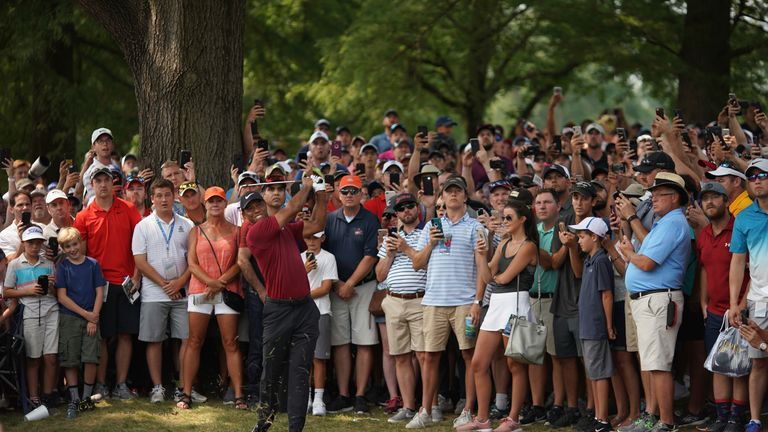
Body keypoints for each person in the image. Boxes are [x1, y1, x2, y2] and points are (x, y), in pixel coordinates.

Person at [247, 173, 328, 432]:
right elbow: (292, 208)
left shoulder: (284, 230)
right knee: (270, 370)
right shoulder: (257, 232)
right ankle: (264, 423)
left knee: (299, 372)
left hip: (304, 309)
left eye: (258, 204)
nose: (256, 209)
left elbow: (316, 224)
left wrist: (322, 192)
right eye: (250, 208)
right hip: (278, 310)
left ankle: (296, 429)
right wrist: (304, 187)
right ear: (246, 216)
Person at [619, 172, 691, 432]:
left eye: (660, 195)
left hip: (659, 300)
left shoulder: (673, 223)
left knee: (659, 365)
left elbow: (647, 263)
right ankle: (651, 416)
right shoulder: (664, 222)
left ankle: (666, 422)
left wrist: (629, 253)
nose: (654, 200)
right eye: (653, 194)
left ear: (674, 198)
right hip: (650, 300)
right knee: (651, 362)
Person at [410, 176, 483, 429]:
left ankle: (469, 410)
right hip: (433, 301)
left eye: (458, 191)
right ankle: (425, 410)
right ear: (443, 197)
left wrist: (477, 301)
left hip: (464, 302)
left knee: (469, 356)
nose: (453, 195)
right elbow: (417, 263)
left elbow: (482, 268)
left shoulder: (475, 227)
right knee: (430, 357)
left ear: (465, 196)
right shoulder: (431, 225)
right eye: (449, 191)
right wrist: (431, 243)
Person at [465, 199, 538, 432]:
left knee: (514, 364)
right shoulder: (504, 242)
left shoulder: (529, 246)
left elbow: (504, 278)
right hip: (496, 303)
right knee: (478, 362)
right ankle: (483, 418)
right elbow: (487, 277)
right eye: (503, 217)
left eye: (508, 218)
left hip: (516, 304)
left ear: (522, 219)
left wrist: (490, 270)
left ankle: (513, 419)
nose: (504, 221)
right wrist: (481, 255)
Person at [73, 167, 142, 400]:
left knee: (125, 335)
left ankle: (121, 385)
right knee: (102, 337)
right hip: (99, 286)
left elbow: (141, 247)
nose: (103, 184)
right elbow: (80, 257)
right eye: (98, 180)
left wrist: (137, 276)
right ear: (92, 184)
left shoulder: (129, 209)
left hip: (127, 282)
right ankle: (101, 384)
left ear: (114, 184)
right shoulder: (83, 216)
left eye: (107, 180)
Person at [179, 186, 244, 410]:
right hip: (201, 290)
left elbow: (240, 262)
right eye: (211, 201)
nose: (215, 204)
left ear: (226, 204)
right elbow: (192, 263)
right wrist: (210, 282)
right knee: (194, 340)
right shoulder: (196, 231)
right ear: (204, 205)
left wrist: (220, 283)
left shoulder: (237, 231)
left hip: (227, 290)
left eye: (219, 201)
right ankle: (185, 393)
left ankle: (238, 395)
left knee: (230, 343)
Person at [322, 175, 380, 414]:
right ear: (338, 193)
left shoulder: (370, 220)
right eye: (344, 191)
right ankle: (344, 394)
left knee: (364, 342)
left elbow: (370, 257)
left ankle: (359, 396)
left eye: (353, 191)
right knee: (341, 343)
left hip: (363, 287)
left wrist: (350, 283)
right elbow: (323, 253)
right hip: (336, 288)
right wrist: (337, 284)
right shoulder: (329, 219)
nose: (348, 195)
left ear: (361, 194)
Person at [132, 179, 194, 403]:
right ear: (152, 199)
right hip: (153, 292)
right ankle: (157, 387)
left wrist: (179, 283)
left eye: (167, 194)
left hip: (183, 291)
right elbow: (140, 261)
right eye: (158, 195)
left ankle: (184, 386)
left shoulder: (187, 225)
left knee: (187, 339)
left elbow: (193, 260)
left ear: (174, 195)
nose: (163, 199)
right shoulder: (143, 226)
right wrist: (165, 284)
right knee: (154, 340)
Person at [696, 182, 748, 431]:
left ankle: (737, 417)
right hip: (714, 311)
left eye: (715, 197)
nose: (710, 202)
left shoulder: (739, 227)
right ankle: (721, 416)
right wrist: (703, 302)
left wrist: (741, 302)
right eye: (705, 198)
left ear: (726, 201)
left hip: (738, 310)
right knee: (717, 363)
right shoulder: (704, 234)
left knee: (737, 366)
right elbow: (705, 268)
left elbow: (752, 270)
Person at [375, 192, 428, 424]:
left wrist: (405, 248)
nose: (406, 211)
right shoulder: (390, 239)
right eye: (401, 208)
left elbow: (424, 263)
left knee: (425, 356)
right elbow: (379, 274)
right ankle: (407, 406)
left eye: (410, 206)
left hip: (420, 299)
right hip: (394, 300)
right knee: (401, 356)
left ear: (417, 208)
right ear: (396, 214)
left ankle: (428, 406)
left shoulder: (427, 233)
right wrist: (390, 254)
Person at [727, 158, 768, 432]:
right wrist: (734, 303)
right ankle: (754, 419)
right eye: (751, 177)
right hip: (759, 300)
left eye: (762, 175)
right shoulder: (743, 217)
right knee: (759, 362)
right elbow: (738, 262)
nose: (756, 180)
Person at [2, 225, 57, 408]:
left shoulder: (49, 264)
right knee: (33, 358)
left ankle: (48, 396)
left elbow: (57, 292)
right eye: (31, 243)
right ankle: (34, 396)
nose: (35, 246)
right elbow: (7, 292)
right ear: (24, 243)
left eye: (38, 243)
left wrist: (51, 287)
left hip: (51, 310)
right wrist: (27, 290)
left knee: (50, 357)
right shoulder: (15, 264)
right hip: (30, 314)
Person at [54, 227, 105, 419]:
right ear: (63, 249)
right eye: (68, 246)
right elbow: (62, 296)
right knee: (70, 358)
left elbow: (99, 291)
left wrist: (94, 316)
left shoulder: (92, 264)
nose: (73, 249)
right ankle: (74, 399)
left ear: (80, 242)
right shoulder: (64, 267)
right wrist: (86, 314)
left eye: (75, 244)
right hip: (70, 318)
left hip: (92, 318)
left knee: (91, 357)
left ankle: (86, 399)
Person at [570, 217, 615, 432]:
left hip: (596, 326)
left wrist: (608, 326)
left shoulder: (600, 261)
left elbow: (606, 295)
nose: (579, 241)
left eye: (582, 236)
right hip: (587, 326)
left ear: (594, 237)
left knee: (599, 373)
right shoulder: (589, 260)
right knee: (593, 373)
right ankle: (598, 416)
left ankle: (603, 419)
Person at [527, 188, 562, 425]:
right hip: (532, 299)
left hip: (553, 299)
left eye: (547, 202)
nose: (541, 206)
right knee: (533, 356)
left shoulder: (562, 230)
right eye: (538, 202)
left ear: (557, 206)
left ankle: (559, 404)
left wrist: (530, 244)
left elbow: (551, 264)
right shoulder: (534, 230)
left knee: (556, 355)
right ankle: (537, 404)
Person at [301, 230, 338, 416]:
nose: (312, 241)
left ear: (322, 238)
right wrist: (304, 272)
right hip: (301, 314)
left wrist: (303, 296)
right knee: (304, 358)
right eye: (308, 238)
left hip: (322, 311)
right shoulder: (298, 258)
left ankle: (318, 400)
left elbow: (325, 288)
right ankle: (305, 398)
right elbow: (293, 284)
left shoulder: (329, 258)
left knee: (319, 358)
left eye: (316, 238)